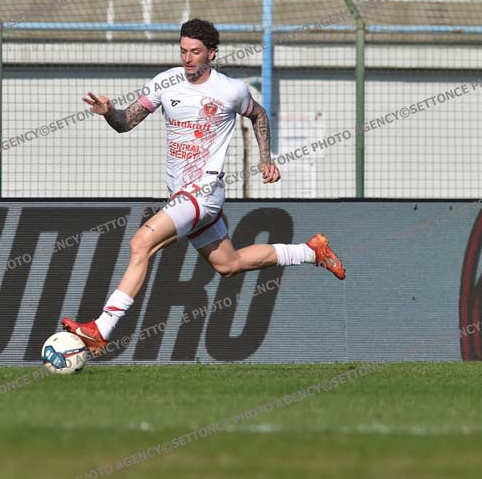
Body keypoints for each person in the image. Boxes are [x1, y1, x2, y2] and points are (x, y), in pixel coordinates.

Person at [63, 19, 345, 354]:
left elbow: (258, 115)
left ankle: (101, 328)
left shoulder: (231, 90)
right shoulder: (165, 82)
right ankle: (311, 251)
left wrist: (265, 159)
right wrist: (109, 112)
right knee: (229, 264)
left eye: (195, 51)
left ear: (211, 53)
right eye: (183, 50)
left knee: (141, 243)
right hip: (182, 194)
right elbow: (126, 122)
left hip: (203, 191)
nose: (187, 58)